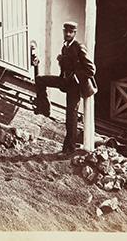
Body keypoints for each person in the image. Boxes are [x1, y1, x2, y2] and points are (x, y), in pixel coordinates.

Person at [32, 21, 96, 153]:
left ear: (74, 33)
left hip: (75, 86)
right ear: (63, 32)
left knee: (70, 116)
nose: (67, 34)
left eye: (70, 32)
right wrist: (61, 61)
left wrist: (75, 77)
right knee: (40, 80)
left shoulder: (79, 47)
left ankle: (69, 148)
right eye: (66, 31)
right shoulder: (65, 47)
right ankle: (44, 106)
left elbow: (91, 70)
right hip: (65, 81)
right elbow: (68, 65)